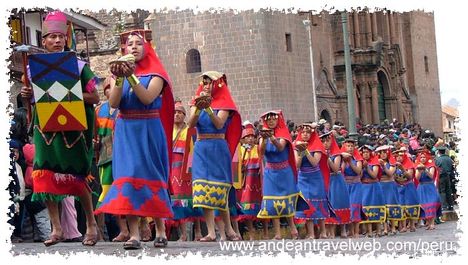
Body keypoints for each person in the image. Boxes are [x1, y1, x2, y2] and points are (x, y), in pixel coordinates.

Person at [20, 10, 100, 247]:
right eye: (51, 37)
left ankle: (92, 225)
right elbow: (37, 100)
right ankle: (56, 228)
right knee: (44, 175)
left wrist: (67, 95)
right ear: (43, 41)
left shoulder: (79, 66)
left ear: (65, 39)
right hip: (45, 130)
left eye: (59, 37)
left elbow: (94, 97)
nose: (56, 41)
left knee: (76, 177)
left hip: (73, 132)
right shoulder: (34, 69)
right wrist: (28, 95)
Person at [94, 29, 174, 249]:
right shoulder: (115, 75)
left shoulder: (157, 73)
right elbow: (113, 104)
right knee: (127, 177)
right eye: (130, 44)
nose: (134, 47)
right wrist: (119, 78)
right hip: (126, 129)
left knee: (151, 174)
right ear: (124, 49)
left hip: (148, 128)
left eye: (138, 43)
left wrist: (131, 75)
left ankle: (160, 229)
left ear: (146, 47)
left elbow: (147, 98)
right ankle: (134, 234)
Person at [188, 71, 242, 242]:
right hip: (201, 147)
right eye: (204, 82)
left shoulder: (224, 103)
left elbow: (219, 124)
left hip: (218, 147)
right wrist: (198, 107)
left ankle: (230, 229)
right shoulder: (195, 101)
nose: (206, 85)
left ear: (217, 84)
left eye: (209, 82)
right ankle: (211, 232)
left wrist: (208, 107)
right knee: (203, 189)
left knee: (220, 189)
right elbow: (190, 124)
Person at [256, 110, 307, 240]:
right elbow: (261, 152)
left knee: (286, 201)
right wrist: (263, 139)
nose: (271, 121)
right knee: (272, 203)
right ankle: (278, 233)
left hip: (284, 171)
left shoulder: (283, 132)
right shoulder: (263, 135)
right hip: (270, 172)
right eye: (269, 119)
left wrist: (271, 137)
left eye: (273, 119)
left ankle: (293, 229)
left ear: (278, 120)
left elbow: (280, 147)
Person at [168, 100, 203, 241]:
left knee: (192, 201)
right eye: (175, 112)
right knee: (177, 201)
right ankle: (182, 234)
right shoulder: (168, 129)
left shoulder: (190, 130)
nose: (177, 115)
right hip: (173, 170)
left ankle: (199, 231)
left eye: (180, 113)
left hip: (188, 169)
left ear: (184, 115)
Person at [294, 124, 330, 239]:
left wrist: (306, 151)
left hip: (315, 177)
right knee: (306, 203)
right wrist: (300, 152)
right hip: (303, 177)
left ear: (312, 134)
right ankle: (310, 232)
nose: (305, 134)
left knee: (319, 202)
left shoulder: (317, 145)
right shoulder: (296, 145)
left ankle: (323, 231)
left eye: (308, 132)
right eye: (303, 132)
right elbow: (297, 165)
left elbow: (315, 162)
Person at [236, 122, 267, 240]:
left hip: (258, 183)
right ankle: (252, 232)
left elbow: (262, 159)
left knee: (261, 207)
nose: (250, 139)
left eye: (252, 137)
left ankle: (265, 232)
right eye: (247, 137)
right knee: (247, 208)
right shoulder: (240, 150)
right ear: (243, 139)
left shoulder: (258, 149)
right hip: (246, 183)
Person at [321, 132, 351, 239]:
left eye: (327, 141)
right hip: (326, 180)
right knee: (328, 204)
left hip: (336, 180)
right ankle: (330, 231)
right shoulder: (320, 153)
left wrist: (327, 157)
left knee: (339, 203)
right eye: (323, 141)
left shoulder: (336, 154)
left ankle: (343, 228)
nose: (325, 143)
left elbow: (335, 168)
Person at [375, 145, 402, 236]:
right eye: (381, 153)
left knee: (391, 206)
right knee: (383, 206)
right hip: (381, 185)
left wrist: (383, 166)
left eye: (384, 152)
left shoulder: (392, 163)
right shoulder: (376, 163)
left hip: (390, 185)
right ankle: (385, 228)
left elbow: (390, 173)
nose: (382, 154)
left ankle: (393, 227)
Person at [359, 145, 385, 237]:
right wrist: (362, 167)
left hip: (374, 187)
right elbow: (360, 176)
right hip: (364, 187)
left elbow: (374, 175)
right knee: (365, 208)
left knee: (375, 207)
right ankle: (369, 231)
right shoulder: (360, 162)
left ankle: (378, 230)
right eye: (363, 152)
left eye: (367, 152)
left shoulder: (375, 162)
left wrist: (367, 168)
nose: (365, 154)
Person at [341, 138, 364, 238]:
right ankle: (350, 230)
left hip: (356, 184)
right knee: (348, 207)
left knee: (355, 207)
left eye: (351, 146)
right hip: (345, 185)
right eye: (348, 146)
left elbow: (358, 171)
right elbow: (340, 170)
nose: (350, 148)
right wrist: (343, 160)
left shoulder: (357, 158)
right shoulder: (341, 157)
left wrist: (350, 162)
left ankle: (357, 231)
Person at [394, 147, 419, 233]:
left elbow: (410, 176)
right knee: (401, 206)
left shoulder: (409, 164)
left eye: (400, 156)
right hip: (399, 187)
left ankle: (412, 224)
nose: (398, 158)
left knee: (410, 205)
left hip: (408, 186)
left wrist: (402, 169)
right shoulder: (394, 165)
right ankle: (403, 226)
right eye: (397, 156)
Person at [415, 150, 442, 230]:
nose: (423, 159)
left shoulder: (431, 165)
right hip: (421, 187)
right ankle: (428, 222)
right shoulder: (418, 166)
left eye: (424, 157)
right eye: (421, 157)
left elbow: (431, 176)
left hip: (430, 186)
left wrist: (425, 169)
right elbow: (417, 178)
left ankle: (432, 223)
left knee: (432, 204)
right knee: (424, 205)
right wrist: (419, 171)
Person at [435, 146, 455, 211]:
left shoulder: (438, 159)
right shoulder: (449, 159)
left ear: (439, 152)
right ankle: (450, 205)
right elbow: (452, 167)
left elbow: (436, 168)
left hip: (441, 176)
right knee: (448, 190)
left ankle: (444, 206)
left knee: (442, 191)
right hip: (448, 176)